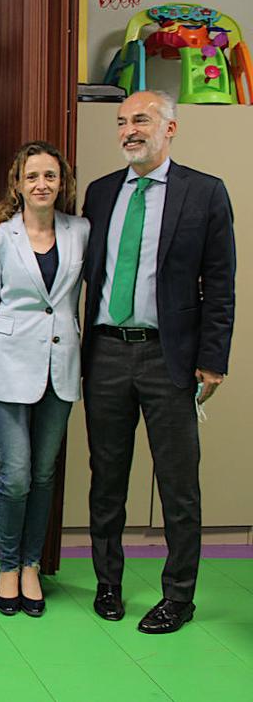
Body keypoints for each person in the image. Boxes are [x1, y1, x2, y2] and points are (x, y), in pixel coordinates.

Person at [82, 90, 235, 634]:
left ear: (170, 127)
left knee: (178, 483)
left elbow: (220, 284)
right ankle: (107, 584)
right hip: (105, 353)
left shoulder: (204, 192)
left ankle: (178, 597)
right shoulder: (101, 193)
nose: (129, 130)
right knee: (107, 479)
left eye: (141, 120)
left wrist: (212, 361)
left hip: (169, 357)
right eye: (122, 121)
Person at [0, 141, 89, 617]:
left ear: (62, 183)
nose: (41, 184)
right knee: (15, 476)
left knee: (43, 474)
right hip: (9, 368)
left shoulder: (80, 231)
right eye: (32, 176)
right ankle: (8, 565)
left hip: (61, 369)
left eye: (50, 176)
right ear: (17, 184)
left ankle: (32, 564)